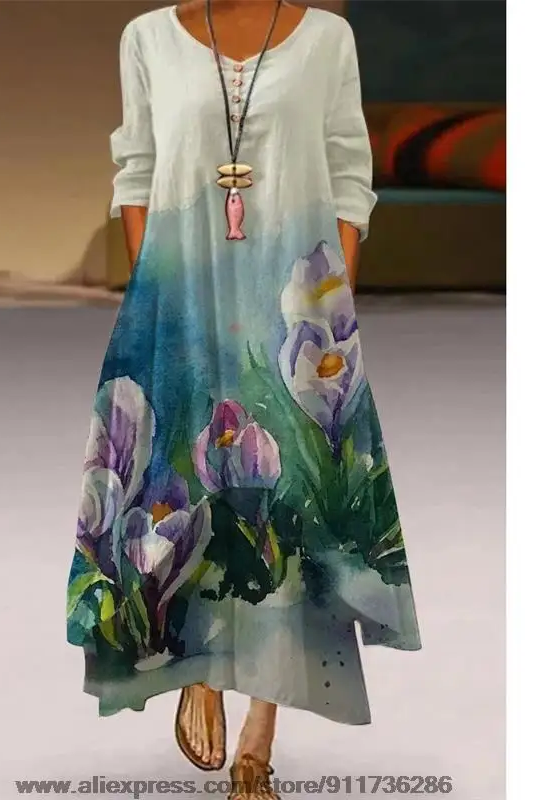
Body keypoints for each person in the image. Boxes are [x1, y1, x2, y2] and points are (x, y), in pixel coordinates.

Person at [65, 2, 421, 797]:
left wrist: (328, 300)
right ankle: (198, 664)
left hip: (291, 296)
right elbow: (137, 170)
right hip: (184, 296)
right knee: (181, 483)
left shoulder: (326, 39)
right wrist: (158, 296)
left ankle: (258, 742)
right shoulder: (148, 39)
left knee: (286, 508)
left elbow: (349, 172)